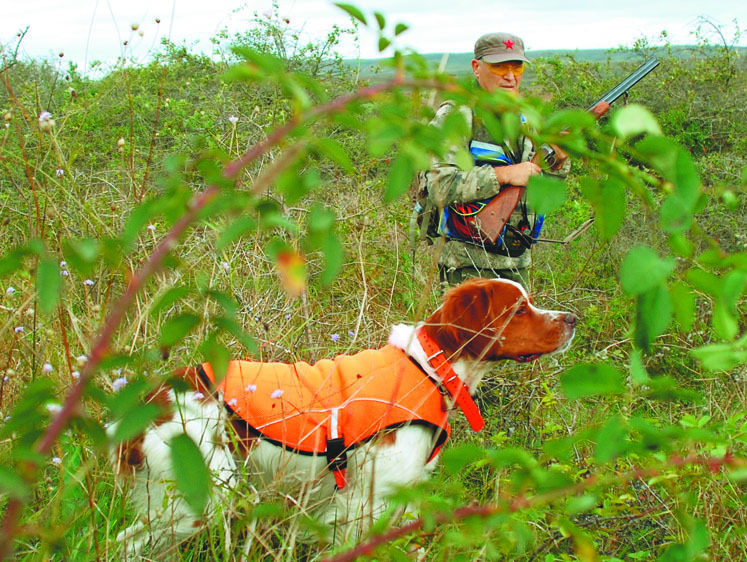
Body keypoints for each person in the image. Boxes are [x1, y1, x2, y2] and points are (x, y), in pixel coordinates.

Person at [414, 32, 571, 287]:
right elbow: (438, 186)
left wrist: (558, 161)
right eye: (499, 67)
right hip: (466, 268)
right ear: (477, 68)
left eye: (516, 66)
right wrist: (504, 174)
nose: (510, 76)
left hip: (517, 263)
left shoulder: (527, 118)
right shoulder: (458, 116)